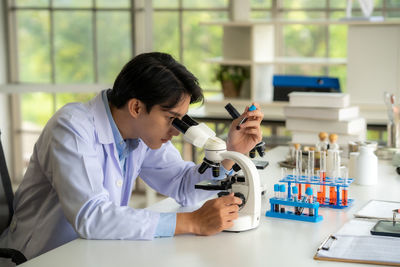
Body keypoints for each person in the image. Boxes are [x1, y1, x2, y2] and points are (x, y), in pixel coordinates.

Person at [0, 52, 264, 260]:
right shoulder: (71, 127)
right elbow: (91, 216)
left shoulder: (139, 135)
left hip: (90, 253)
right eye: (172, 119)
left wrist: (232, 152)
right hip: (38, 257)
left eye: (182, 121)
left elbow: (185, 186)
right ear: (136, 107)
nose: (176, 130)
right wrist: (191, 222)